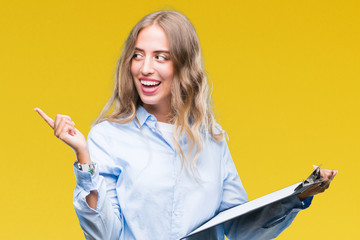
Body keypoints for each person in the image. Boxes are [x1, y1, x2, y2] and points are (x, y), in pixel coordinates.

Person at [35, 10, 337, 240]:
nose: (145, 68)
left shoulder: (211, 139)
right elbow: (104, 234)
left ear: (183, 65)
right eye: (137, 55)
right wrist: (83, 157)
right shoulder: (108, 137)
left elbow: (240, 228)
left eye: (160, 57)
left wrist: (300, 195)